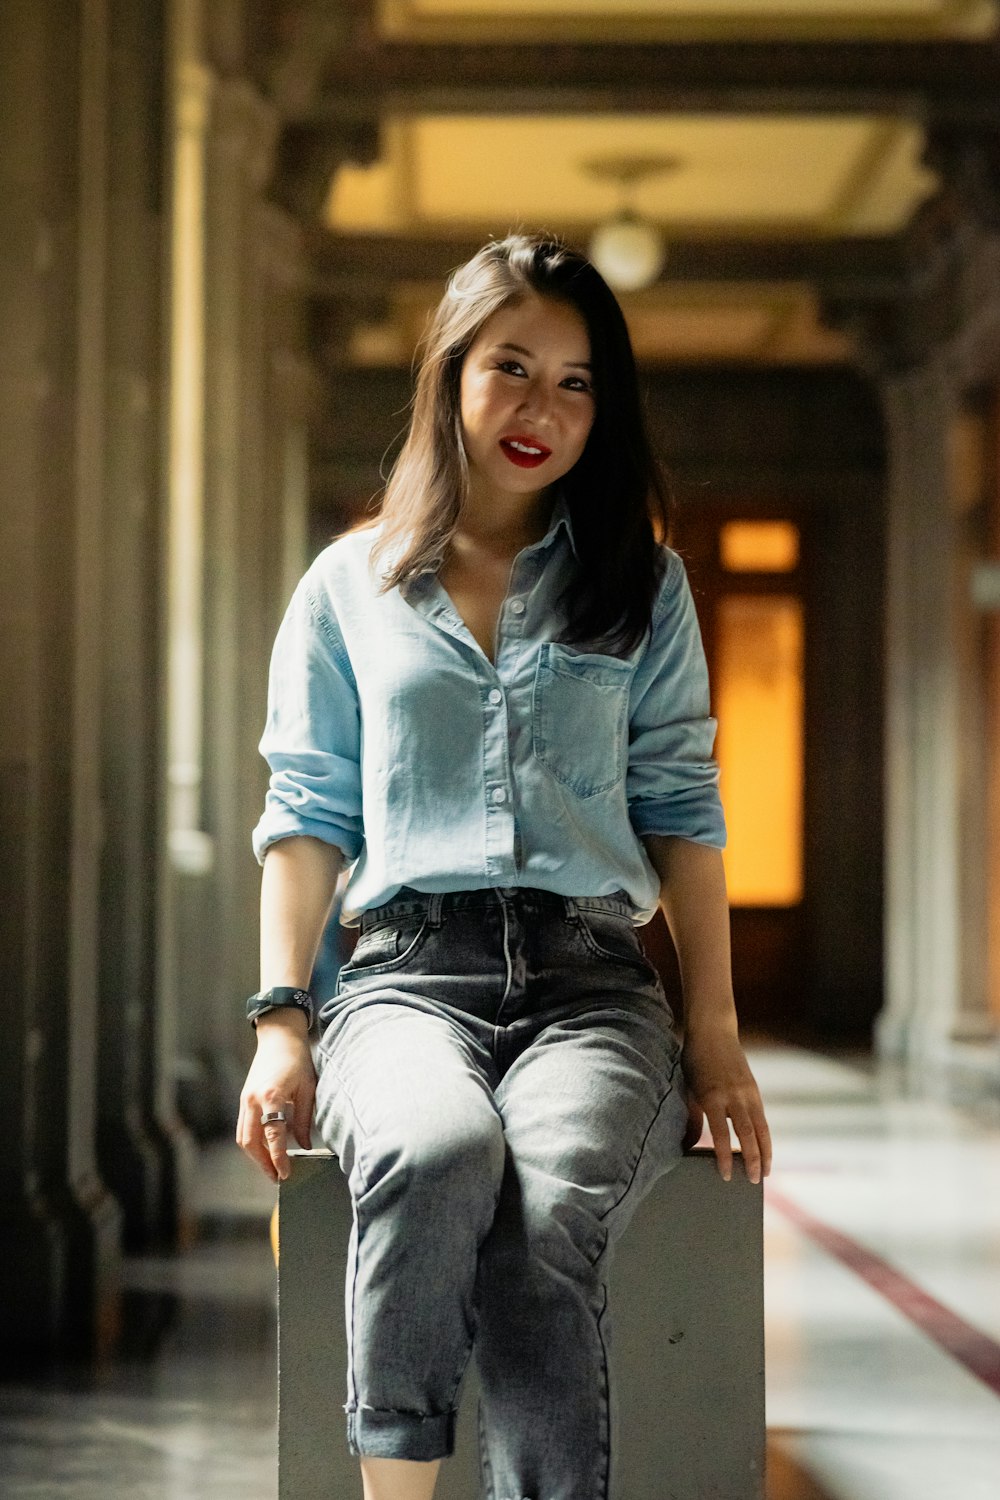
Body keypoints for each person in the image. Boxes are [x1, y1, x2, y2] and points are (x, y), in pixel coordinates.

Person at [237, 233, 771, 1500]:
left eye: (578, 382)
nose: (543, 409)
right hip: (407, 975)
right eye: (512, 368)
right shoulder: (346, 589)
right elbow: (307, 813)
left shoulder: (644, 587)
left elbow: (683, 812)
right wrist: (280, 1021)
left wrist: (716, 1031)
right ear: (450, 374)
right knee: (430, 1158)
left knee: (540, 1233)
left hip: (591, 983)